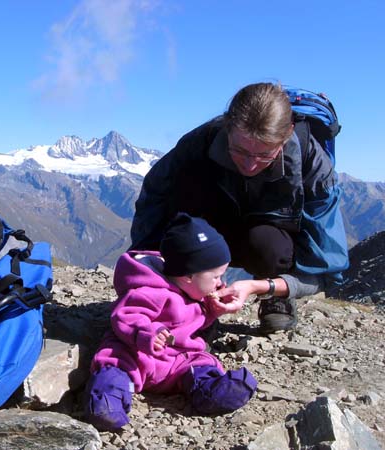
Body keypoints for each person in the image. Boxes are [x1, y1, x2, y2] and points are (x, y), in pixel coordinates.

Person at [130, 82, 349, 334]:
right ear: (227, 125)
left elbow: (325, 269)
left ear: (287, 133)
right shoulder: (196, 146)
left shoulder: (313, 168)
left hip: (266, 241)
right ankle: (187, 297)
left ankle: (276, 299)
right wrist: (145, 269)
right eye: (240, 150)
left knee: (268, 245)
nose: (251, 164)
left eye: (265, 154)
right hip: (209, 227)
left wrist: (263, 287)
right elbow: (155, 203)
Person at [83, 213, 257, 431]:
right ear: (188, 277)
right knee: (114, 365)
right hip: (138, 354)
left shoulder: (196, 291)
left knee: (201, 363)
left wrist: (213, 310)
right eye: (215, 277)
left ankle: (211, 390)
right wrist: (148, 333)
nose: (220, 282)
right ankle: (107, 404)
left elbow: (197, 321)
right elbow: (126, 316)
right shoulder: (148, 290)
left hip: (178, 358)